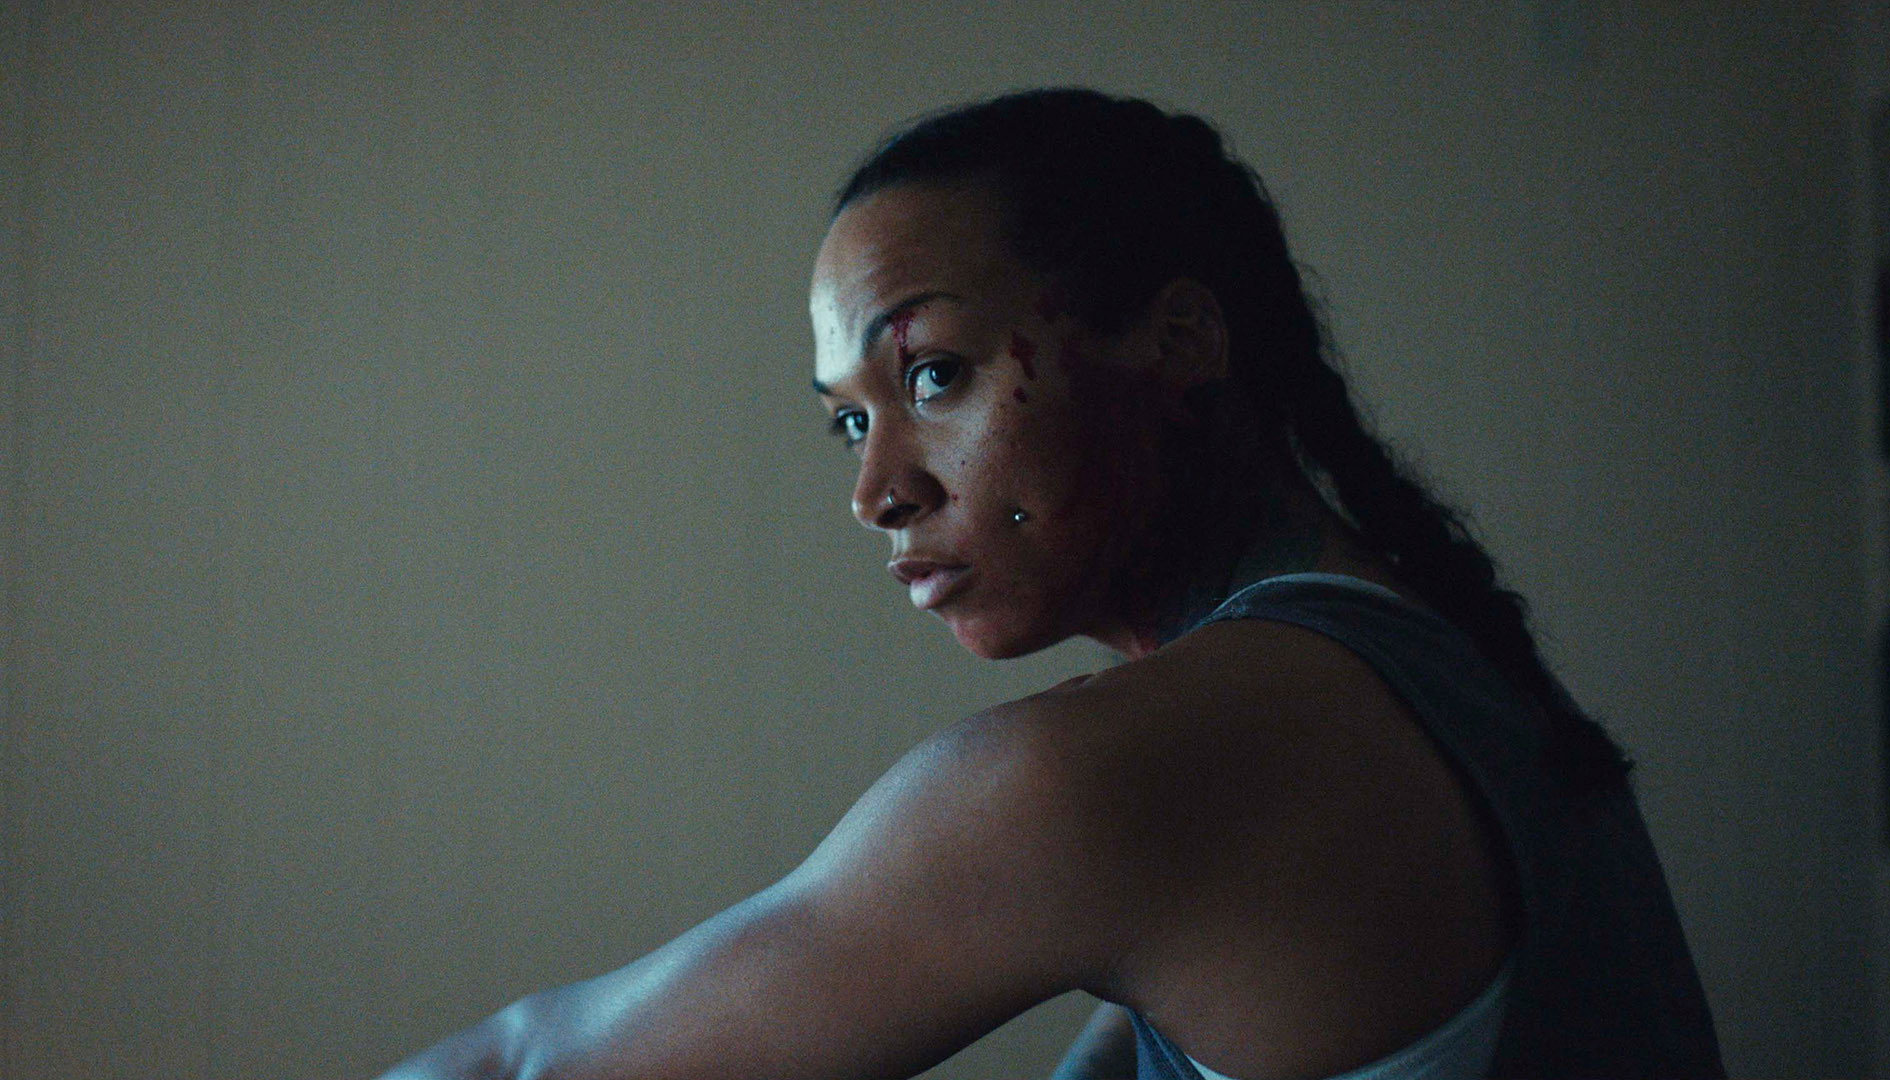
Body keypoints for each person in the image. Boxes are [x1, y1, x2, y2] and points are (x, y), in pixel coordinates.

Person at [376, 88, 1725, 1080]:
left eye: (933, 375)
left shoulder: (1144, 769)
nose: (877, 490)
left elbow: (529, 1068)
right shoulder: (1411, 668)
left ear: (1178, 342)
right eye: (849, 421)